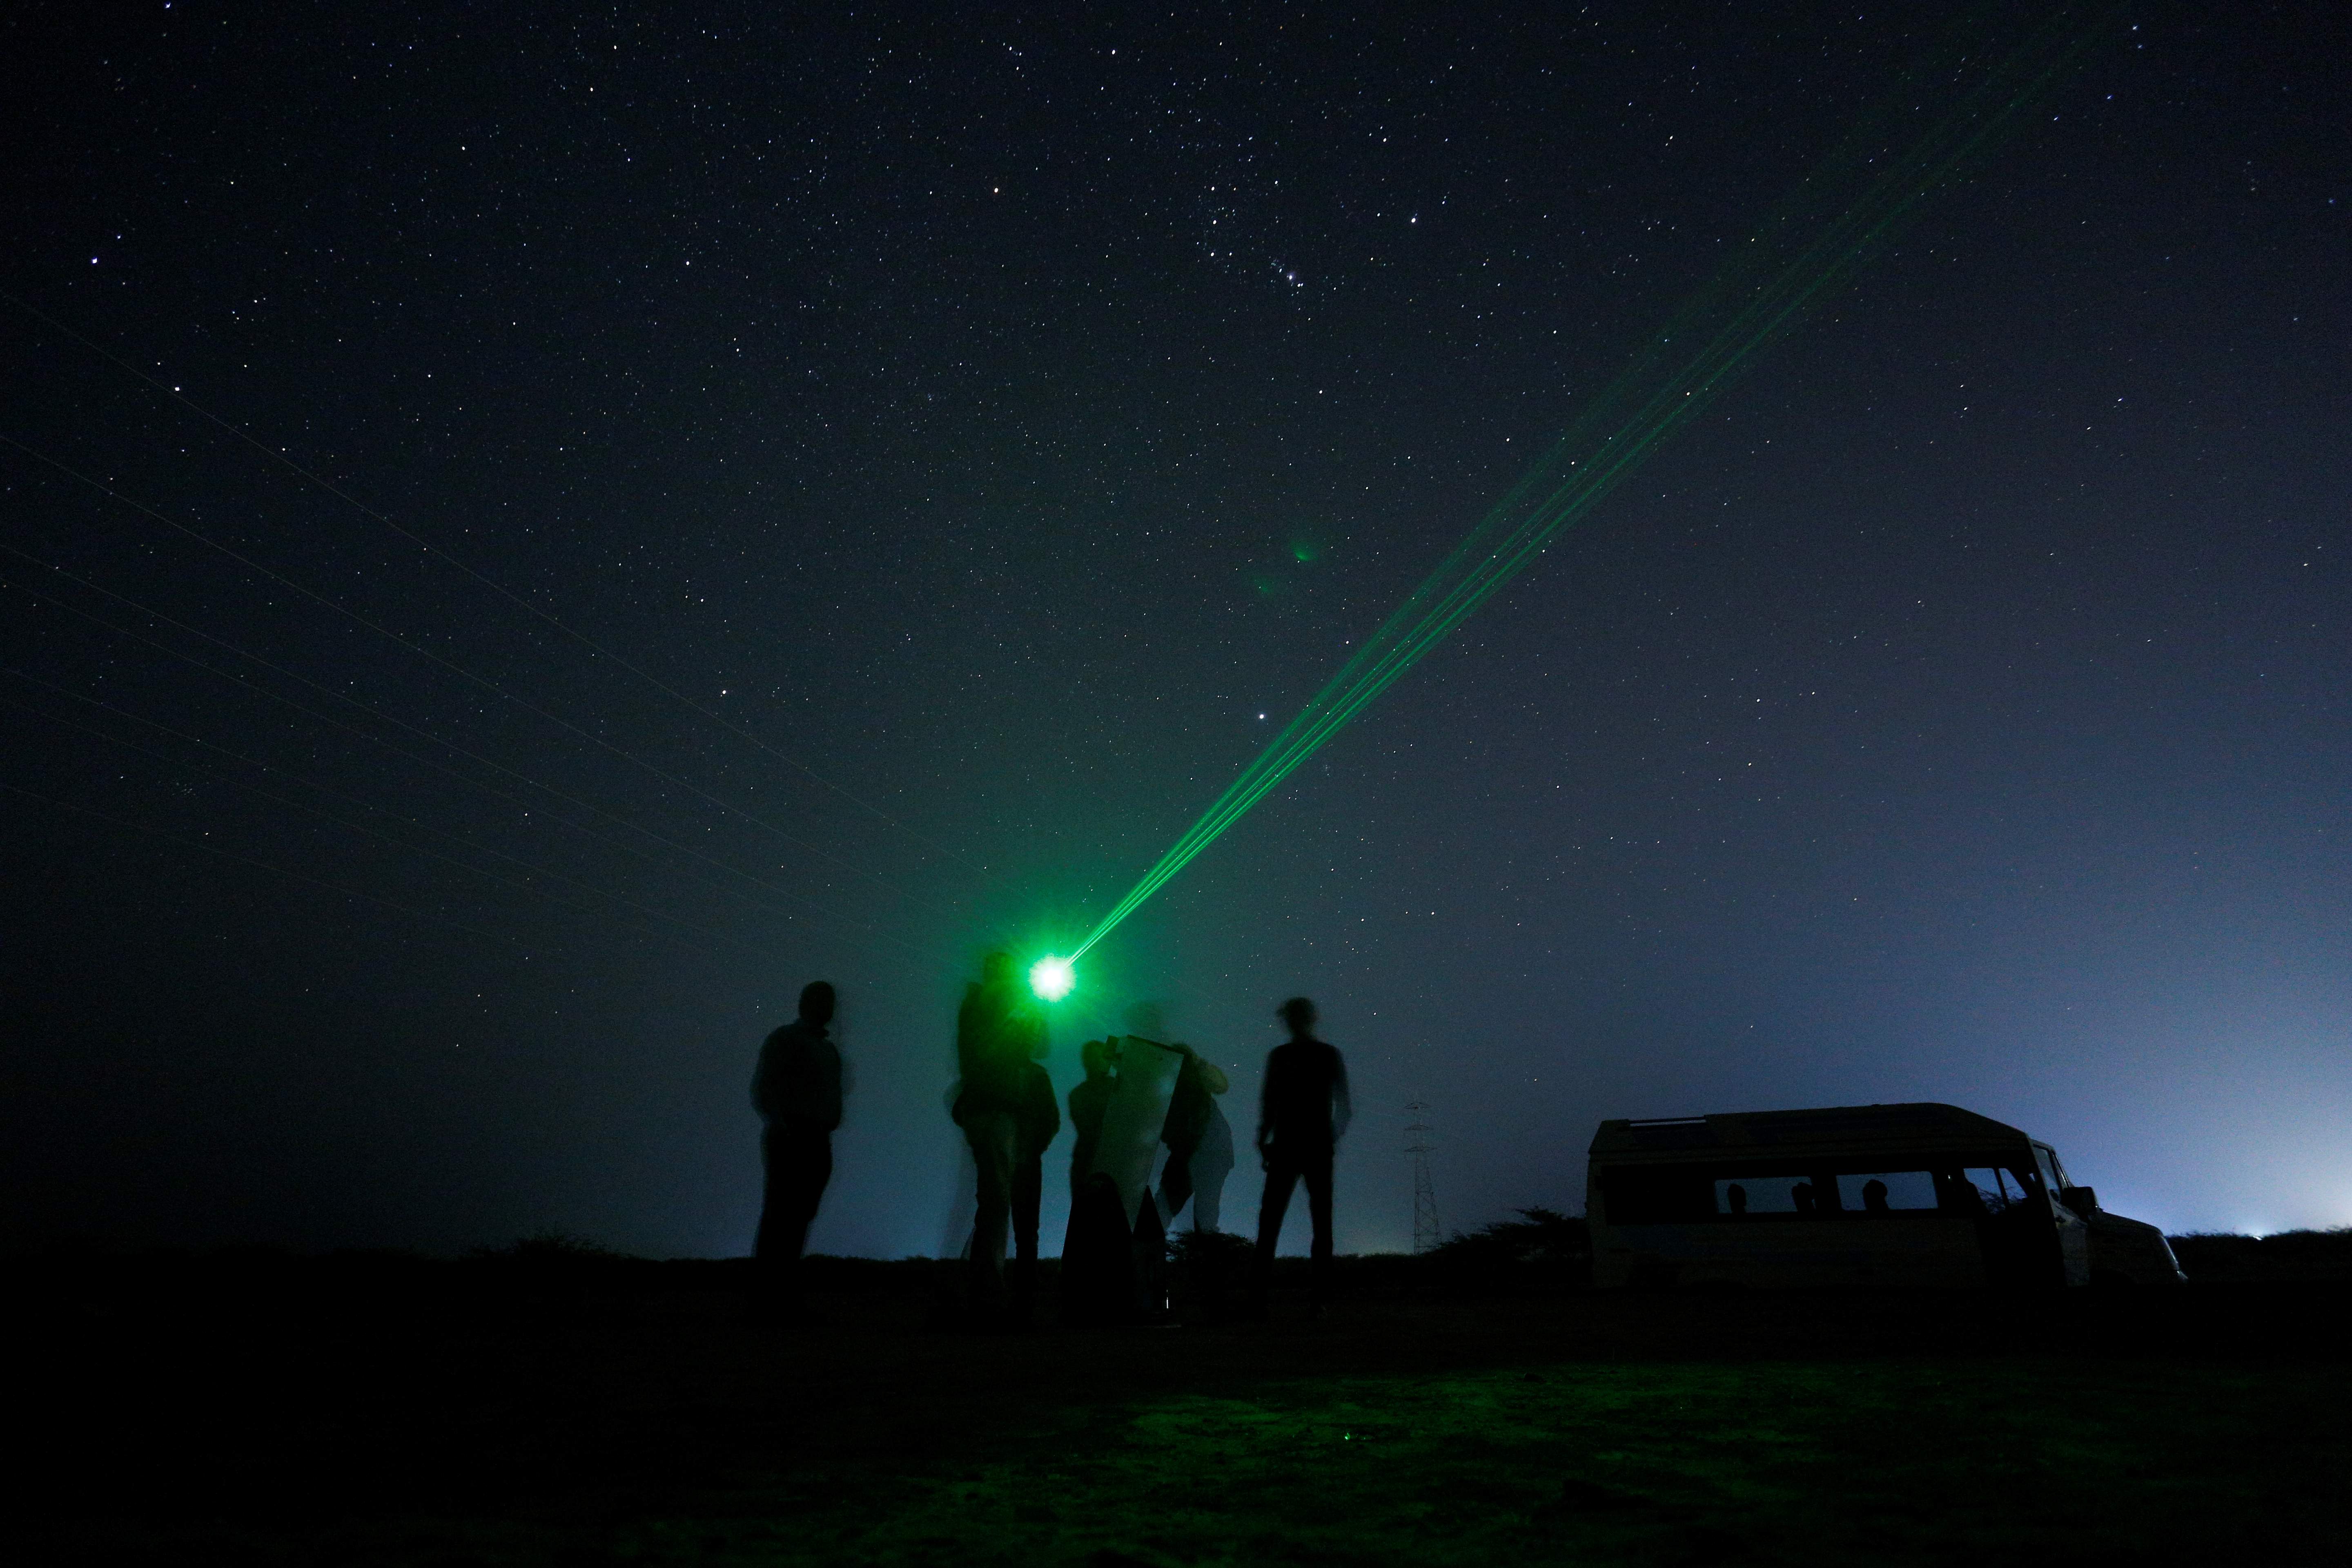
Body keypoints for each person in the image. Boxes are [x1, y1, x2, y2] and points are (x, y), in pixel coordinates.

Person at [951, 950, 1045, 1321]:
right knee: (996, 1205)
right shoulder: (992, 1004)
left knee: (992, 1202)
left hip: (983, 1109)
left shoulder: (977, 1004)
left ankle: (983, 1293)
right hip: (995, 1110)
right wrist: (1032, 1008)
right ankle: (987, 1300)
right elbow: (1029, 1045)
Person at [1250, 996, 1351, 1316]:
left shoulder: (1281, 1056)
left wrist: (1263, 1139)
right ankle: (1320, 1300)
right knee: (1322, 1224)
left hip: (1286, 1146)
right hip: (1316, 1147)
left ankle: (1259, 1301)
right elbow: (1345, 1107)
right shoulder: (1328, 1055)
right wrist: (1329, 1136)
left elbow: (1269, 1103)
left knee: (1270, 1224)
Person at [750, 980, 843, 1319]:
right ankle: (768, 1299)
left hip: (818, 1136)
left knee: (799, 1216)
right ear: (806, 1004)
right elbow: (767, 1086)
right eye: (822, 1001)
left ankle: (781, 1295)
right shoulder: (787, 1040)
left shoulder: (827, 1050)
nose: (830, 1007)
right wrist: (782, 1122)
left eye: (830, 1001)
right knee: (781, 1215)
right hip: (793, 1134)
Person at [1157, 1043, 1233, 1232]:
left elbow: (1221, 1086)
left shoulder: (1186, 1083)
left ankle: (1145, 1251)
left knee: (1169, 1207)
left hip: (1207, 1152)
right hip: (1204, 1152)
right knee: (1167, 1207)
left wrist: (1199, 1065)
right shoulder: (1176, 1087)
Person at [1067, 1037, 1117, 1199]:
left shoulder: (1078, 1095)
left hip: (1091, 1161)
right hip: (1091, 1161)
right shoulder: (1117, 1089)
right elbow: (1088, 1130)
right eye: (1094, 1058)